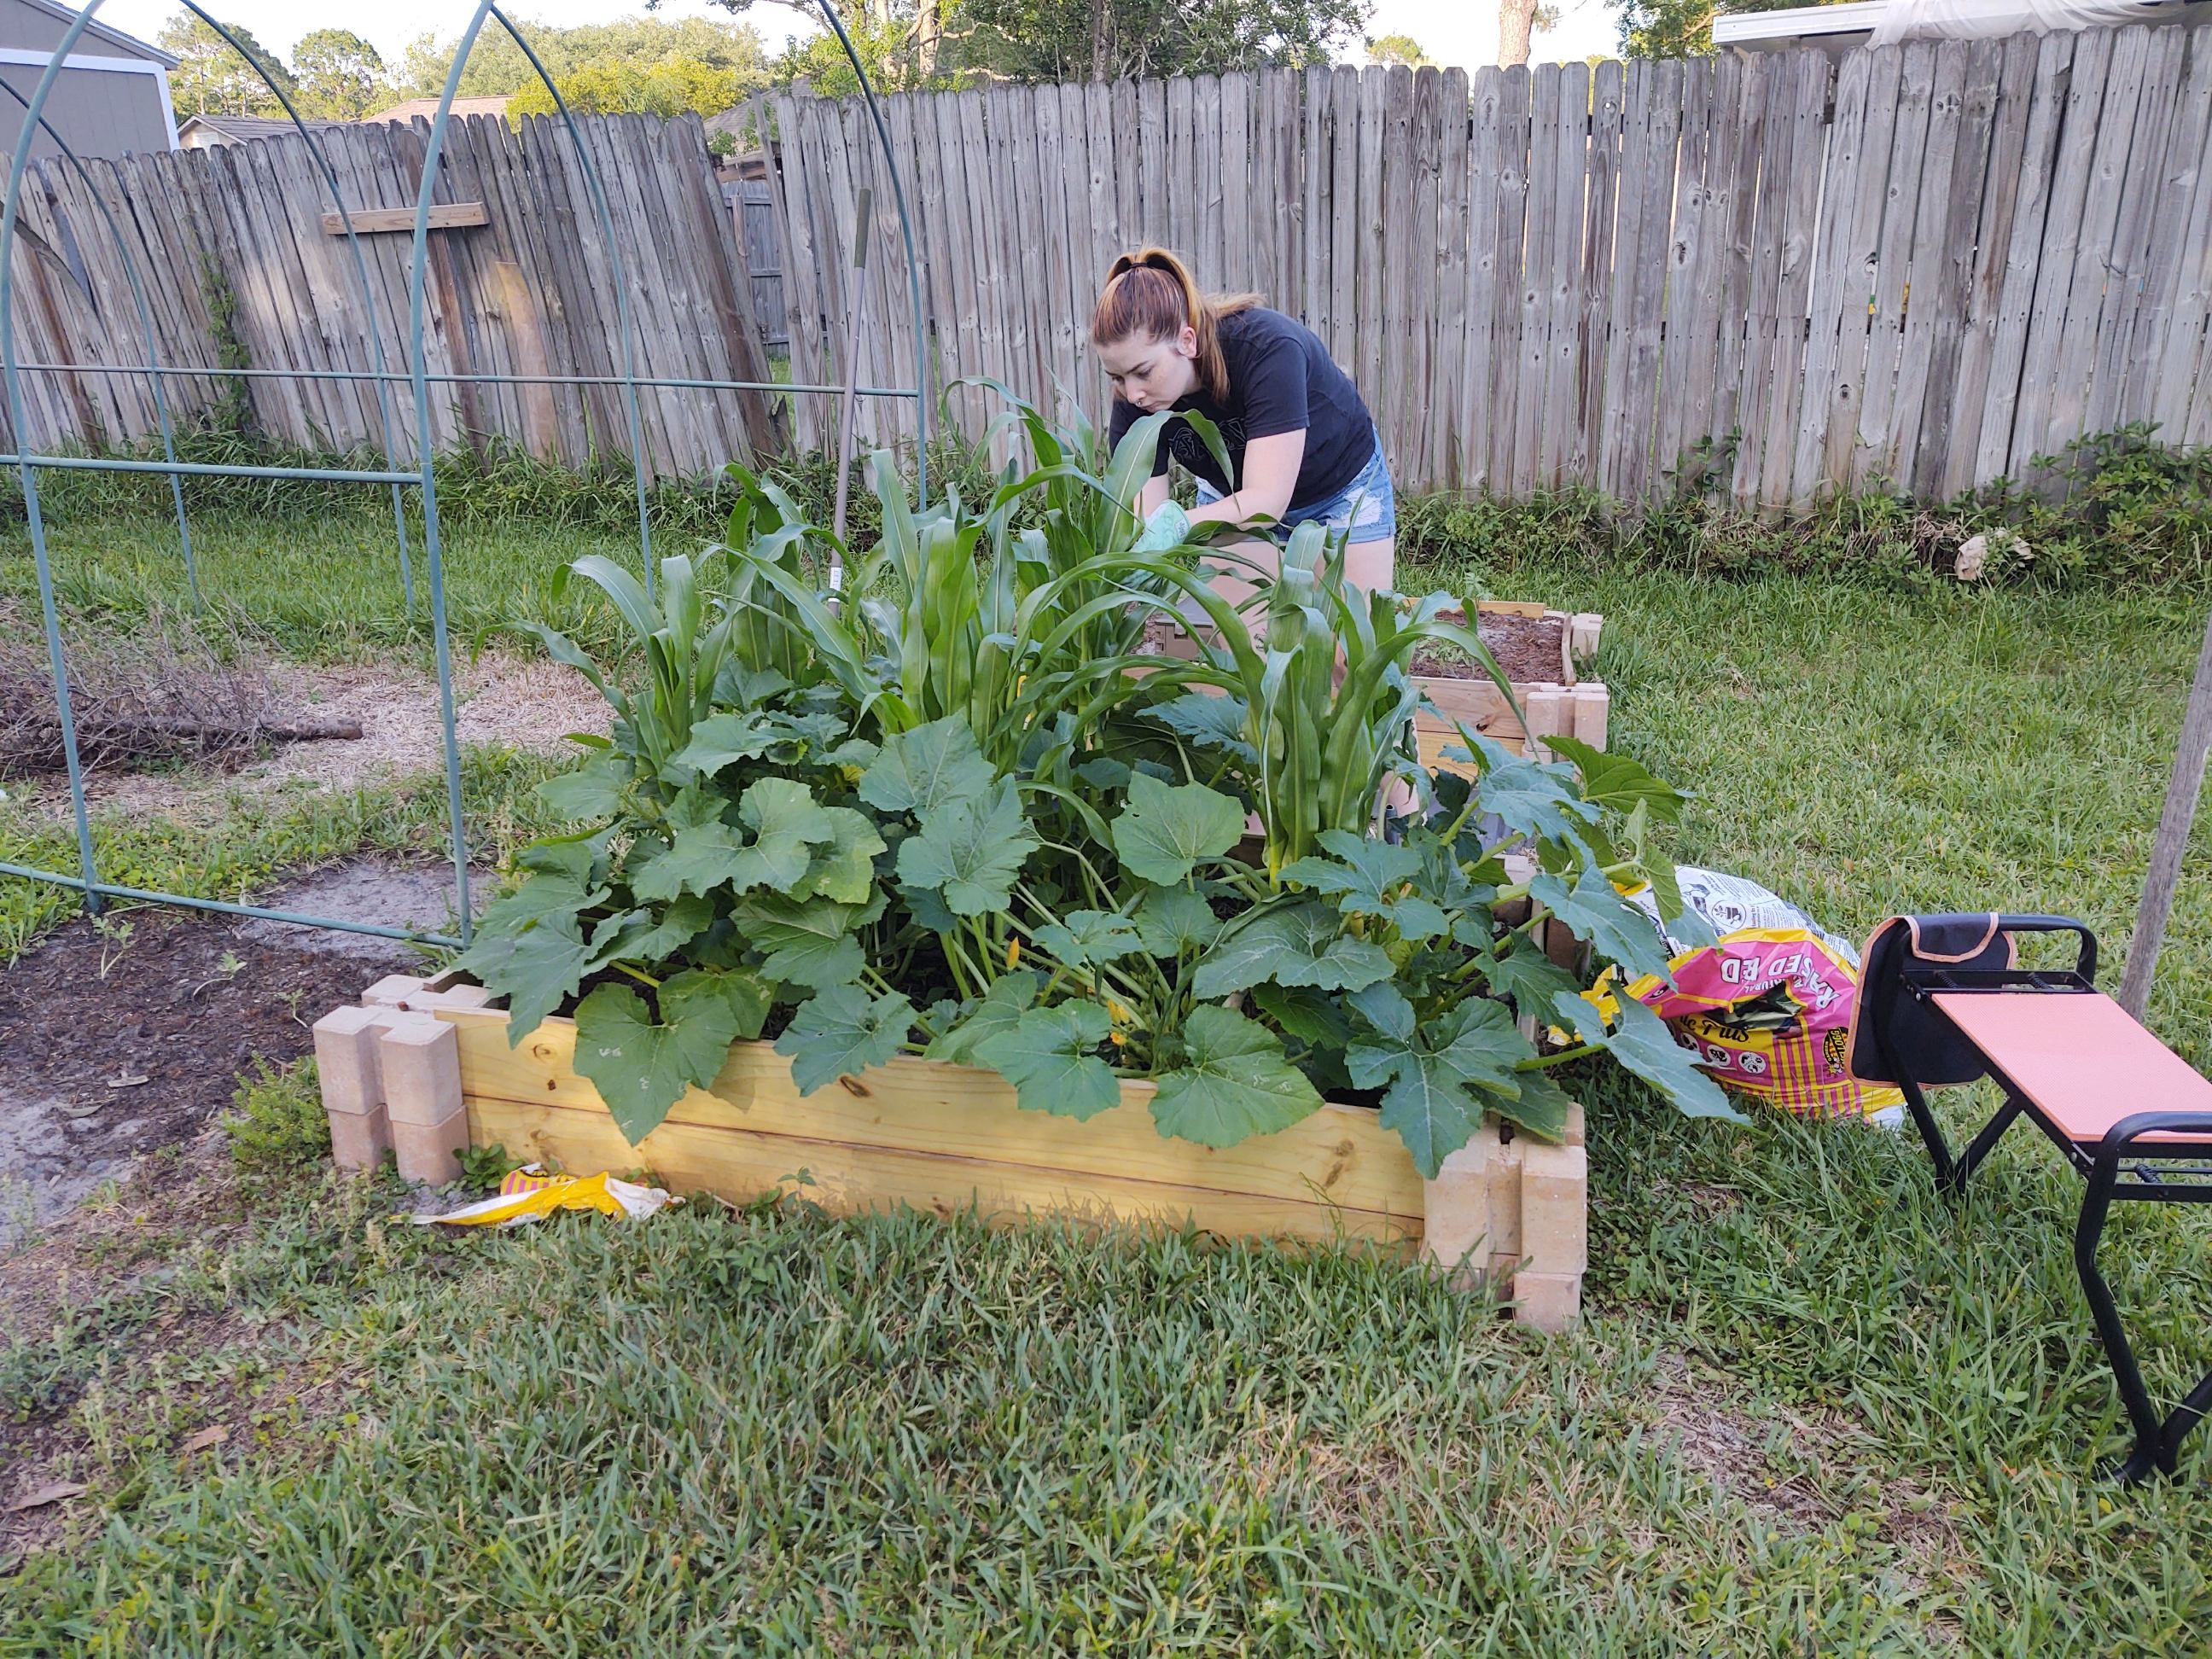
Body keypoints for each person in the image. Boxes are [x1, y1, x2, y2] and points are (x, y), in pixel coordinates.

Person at [1094, 246, 1397, 615]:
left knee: (1347, 645)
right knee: (1241, 642)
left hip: (1339, 490)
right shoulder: (1135, 401)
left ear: (1186, 341)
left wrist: (1180, 524)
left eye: (1143, 372)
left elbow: (1267, 501)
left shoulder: (1266, 348)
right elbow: (1147, 520)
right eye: (1117, 377)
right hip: (1232, 500)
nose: (1132, 393)